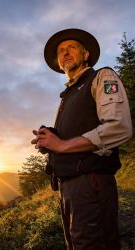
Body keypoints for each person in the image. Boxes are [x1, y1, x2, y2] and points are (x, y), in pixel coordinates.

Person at [31, 28, 133, 250]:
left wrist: (63, 144)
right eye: (61, 51)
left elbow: (119, 127)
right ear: (59, 64)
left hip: (91, 181)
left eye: (71, 47)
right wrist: (51, 140)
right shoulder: (67, 95)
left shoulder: (102, 77)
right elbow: (79, 131)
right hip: (69, 186)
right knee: (77, 244)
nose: (65, 52)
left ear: (86, 55)